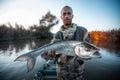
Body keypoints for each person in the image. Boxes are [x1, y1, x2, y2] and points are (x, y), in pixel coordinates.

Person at [42, 6, 90, 80]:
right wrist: (50, 56)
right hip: (61, 74)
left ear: (72, 16)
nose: (66, 16)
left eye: (69, 13)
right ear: (61, 17)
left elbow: (88, 54)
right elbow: (54, 56)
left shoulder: (83, 31)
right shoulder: (57, 35)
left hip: (78, 74)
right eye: (64, 14)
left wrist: (88, 55)